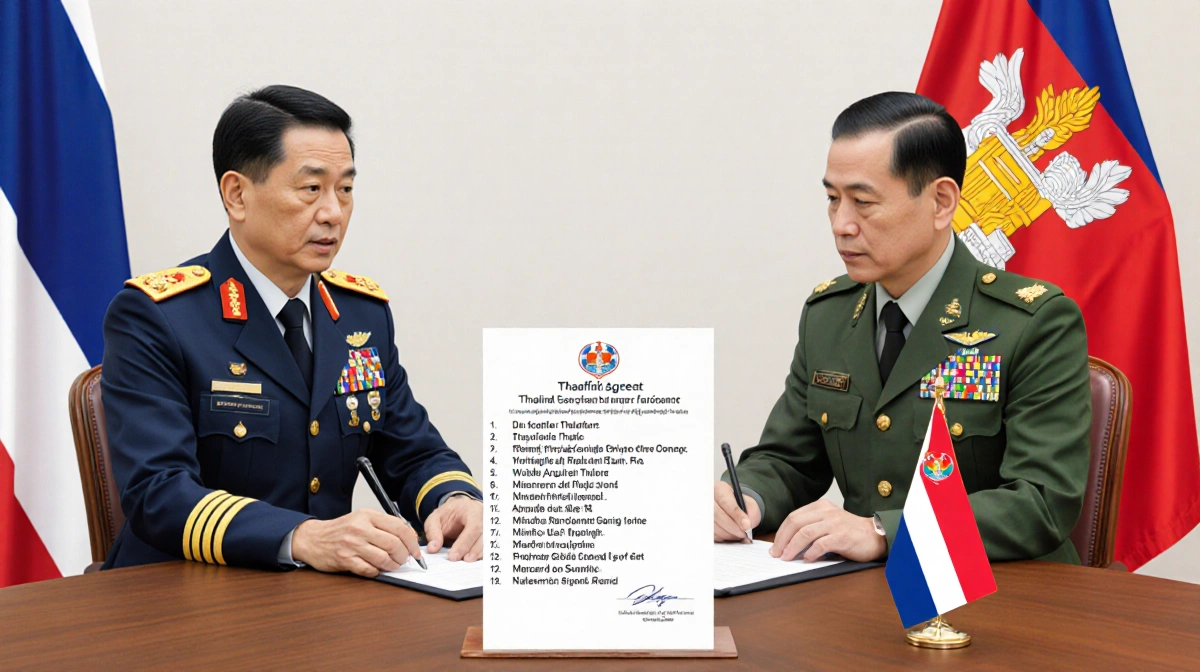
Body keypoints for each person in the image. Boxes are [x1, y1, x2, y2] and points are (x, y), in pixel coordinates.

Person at [102, 85, 482, 575]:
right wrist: (301, 537)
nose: (333, 213)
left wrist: (455, 498)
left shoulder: (359, 315)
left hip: (320, 606)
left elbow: (413, 450)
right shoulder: (158, 316)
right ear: (237, 194)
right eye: (311, 189)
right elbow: (158, 491)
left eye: (345, 189)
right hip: (183, 602)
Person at [713, 92, 1090, 564]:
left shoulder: (1032, 323)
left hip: (1001, 597)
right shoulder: (829, 315)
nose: (841, 225)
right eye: (833, 199)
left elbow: (1040, 502)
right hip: (861, 597)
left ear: (941, 202)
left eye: (863, 203)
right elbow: (789, 459)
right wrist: (746, 498)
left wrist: (883, 530)